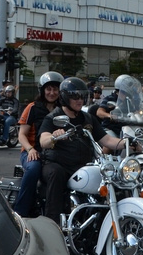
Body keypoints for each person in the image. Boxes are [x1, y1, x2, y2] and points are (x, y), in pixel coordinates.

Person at [38, 77, 128, 224]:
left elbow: (107, 140)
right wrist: (54, 136)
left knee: (108, 177)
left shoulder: (87, 118)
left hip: (82, 165)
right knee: (56, 174)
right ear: (65, 97)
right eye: (75, 96)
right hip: (58, 164)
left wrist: (128, 143)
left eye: (82, 96)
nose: (79, 100)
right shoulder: (54, 117)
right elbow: (43, 140)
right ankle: (52, 224)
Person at [12, 71, 62, 217]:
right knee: (34, 168)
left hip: (54, 153)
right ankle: (20, 212)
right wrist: (30, 149)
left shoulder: (63, 109)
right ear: (42, 90)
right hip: (32, 151)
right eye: (48, 89)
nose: (52, 93)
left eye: (55, 89)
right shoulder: (32, 107)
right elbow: (21, 135)